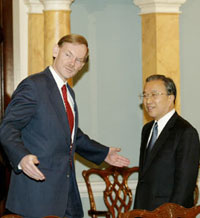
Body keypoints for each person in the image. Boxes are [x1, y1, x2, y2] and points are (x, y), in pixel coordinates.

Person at [0, 34, 130, 218]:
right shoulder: (34, 85)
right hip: (37, 194)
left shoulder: (69, 93)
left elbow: (72, 135)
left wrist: (103, 152)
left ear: (83, 65)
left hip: (66, 194)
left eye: (79, 60)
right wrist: (21, 157)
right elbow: (8, 127)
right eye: (68, 55)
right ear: (56, 51)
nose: (72, 63)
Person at [134, 74, 200, 211]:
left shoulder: (185, 132)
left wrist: (171, 214)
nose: (148, 101)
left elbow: (185, 186)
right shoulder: (147, 130)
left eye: (154, 95)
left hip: (168, 212)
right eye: (145, 95)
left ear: (170, 98)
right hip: (144, 211)